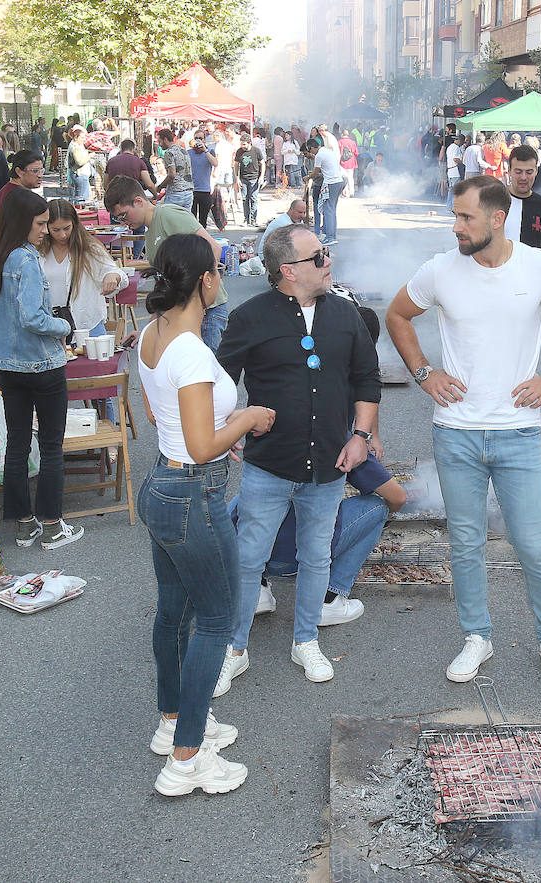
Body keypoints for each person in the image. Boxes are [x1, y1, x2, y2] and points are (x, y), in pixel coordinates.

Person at [386, 176, 541, 687]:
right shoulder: (440, 269)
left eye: (466, 217)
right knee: (465, 542)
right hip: (455, 432)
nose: (456, 227)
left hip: (517, 433)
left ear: (497, 219)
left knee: (533, 544)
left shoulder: (540, 266)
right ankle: (476, 636)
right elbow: (397, 315)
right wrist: (423, 372)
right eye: (455, 216)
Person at [137, 232, 276, 797]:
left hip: (164, 485)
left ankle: (173, 720)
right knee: (216, 620)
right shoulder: (192, 351)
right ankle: (187, 758)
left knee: (174, 612)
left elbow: (161, 413)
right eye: (219, 270)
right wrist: (244, 419)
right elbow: (200, 446)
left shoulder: (153, 334)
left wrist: (218, 432)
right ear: (206, 282)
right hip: (194, 490)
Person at [214, 225, 381, 687]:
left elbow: (367, 379)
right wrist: (230, 427)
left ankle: (305, 640)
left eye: (326, 254)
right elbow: (220, 379)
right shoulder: (250, 317)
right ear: (288, 270)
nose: (328, 262)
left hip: (329, 463)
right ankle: (235, 647)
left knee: (317, 556)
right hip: (269, 464)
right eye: (319, 257)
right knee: (249, 558)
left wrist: (361, 435)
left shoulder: (346, 316)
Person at [243, 308, 408, 640]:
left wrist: (371, 435)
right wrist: (367, 451)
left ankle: (257, 590)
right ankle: (329, 598)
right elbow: (397, 498)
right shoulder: (338, 435)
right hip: (295, 557)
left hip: (254, 546)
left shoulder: (292, 395)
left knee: (249, 502)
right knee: (376, 507)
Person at [0, 188, 82, 551]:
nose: (45, 231)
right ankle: (51, 525)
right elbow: (33, 317)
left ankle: (23, 525)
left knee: (16, 444)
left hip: (6, 368)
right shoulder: (25, 260)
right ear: (22, 223)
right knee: (51, 447)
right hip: (43, 365)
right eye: (40, 224)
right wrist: (64, 327)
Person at [105, 176, 226, 351]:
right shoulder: (150, 234)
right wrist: (148, 331)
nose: (124, 222)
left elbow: (213, 249)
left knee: (201, 370)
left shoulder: (168, 214)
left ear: (138, 201)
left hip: (207, 311)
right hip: (185, 313)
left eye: (123, 215)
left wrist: (199, 302)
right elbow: (163, 288)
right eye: (118, 219)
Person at [38, 197, 128, 344]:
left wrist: (113, 276)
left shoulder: (89, 248)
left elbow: (119, 275)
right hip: (49, 329)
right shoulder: (38, 250)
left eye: (67, 228)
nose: (62, 235)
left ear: (74, 224)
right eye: (55, 230)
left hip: (87, 325)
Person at [499, 145, 541, 258]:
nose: (523, 177)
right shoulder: (494, 202)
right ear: (509, 171)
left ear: (536, 171)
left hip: (532, 273)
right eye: (518, 172)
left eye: (529, 172)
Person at [308, 136, 345, 244]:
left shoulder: (319, 155)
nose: (312, 153)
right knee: (332, 210)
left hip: (331, 183)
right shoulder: (328, 151)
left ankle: (330, 237)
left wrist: (308, 177)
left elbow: (315, 173)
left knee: (328, 211)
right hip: (339, 181)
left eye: (310, 150)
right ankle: (332, 235)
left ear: (312, 148)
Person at [156, 128, 195, 210]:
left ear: (165, 139)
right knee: (184, 221)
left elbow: (172, 175)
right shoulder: (184, 151)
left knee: (170, 221)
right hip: (188, 192)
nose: (159, 144)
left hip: (175, 193)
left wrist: (160, 186)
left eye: (160, 141)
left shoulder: (169, 153)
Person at [0, 150, 45, 214]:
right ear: (19, 172)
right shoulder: (19, 196)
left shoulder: (7, 190)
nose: (40, 175)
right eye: (35, 171)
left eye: (41, 171)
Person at [235, 133, 265, 227]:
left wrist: (261, 176)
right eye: (241, 144)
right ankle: (246, 219)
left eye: (244, 144)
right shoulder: (239, 151)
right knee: (244, 199)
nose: (242, 146)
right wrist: (237, 178)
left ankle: (253, 219)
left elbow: (262, 163)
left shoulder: (256, 151)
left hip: (254, 178)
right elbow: (236, 165)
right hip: (243, 178)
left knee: (253, 198)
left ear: (249, 143)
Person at [189, 137, 219, 228]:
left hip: (205, 190)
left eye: (200, 138)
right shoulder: (188, 153)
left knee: (203, 220)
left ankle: (202, 240)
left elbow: (215, 163)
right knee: (192, 220)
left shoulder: (209, 151)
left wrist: (205, 150)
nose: (198, 140)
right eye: (196, 138)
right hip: (191, 190)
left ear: (204, 140)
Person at [338, 128, 359, 197]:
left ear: (342, 135)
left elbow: (337, 153)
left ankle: (345, 192)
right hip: (351, 162)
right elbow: (356, 153)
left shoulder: (339, 142)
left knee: (343, 178)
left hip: (342, 162)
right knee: (350, 177)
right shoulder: (353, 142)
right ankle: (352, 192)